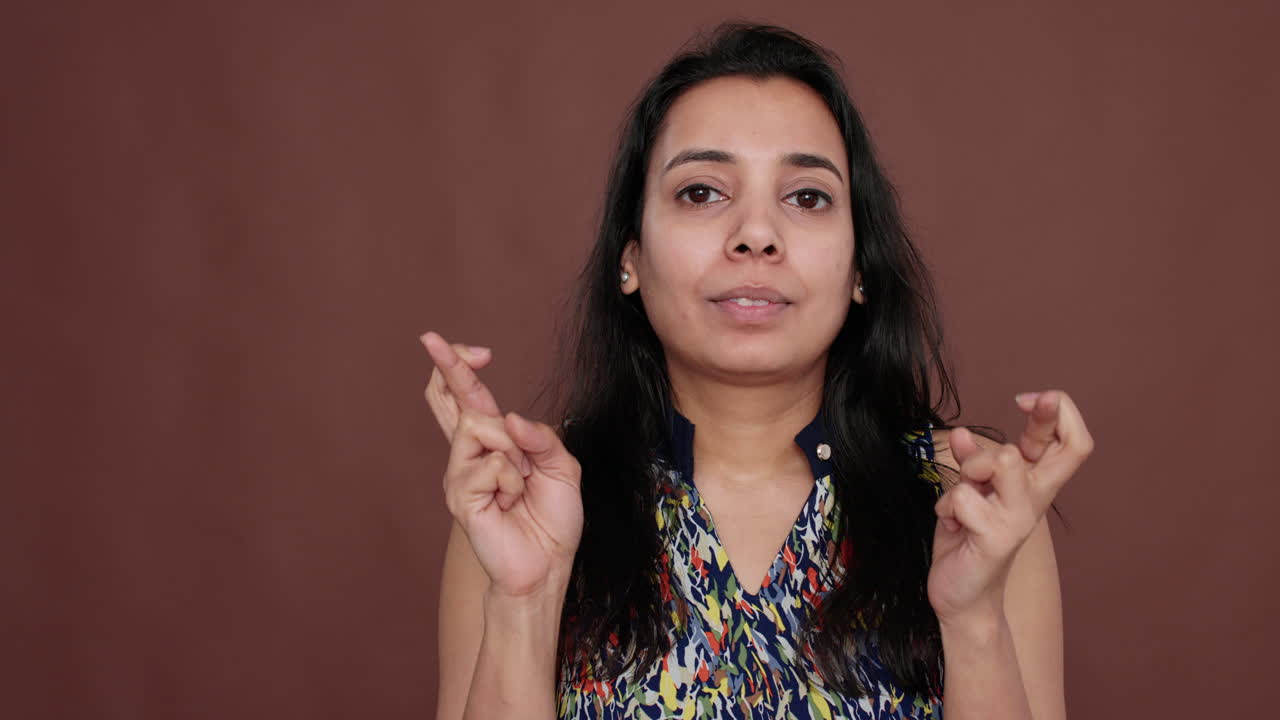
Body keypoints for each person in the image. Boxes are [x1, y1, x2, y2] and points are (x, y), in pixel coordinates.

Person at [421, 22, 1092, 720]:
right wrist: (524, 603)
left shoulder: (972, 506)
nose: (756, 233)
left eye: (806, 197)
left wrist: (974, 616)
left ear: (861, 268)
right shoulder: (521, 505)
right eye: (702, 192)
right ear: (630, 257)